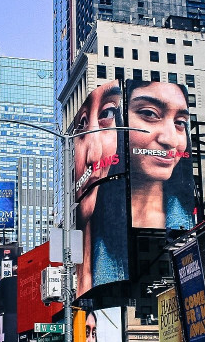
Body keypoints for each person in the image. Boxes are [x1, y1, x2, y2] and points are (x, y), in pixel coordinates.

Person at [72, 80, 126, 296]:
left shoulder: (115, 265)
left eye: (107, 113)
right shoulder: (68, 268)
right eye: (82, 123)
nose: (93, 155)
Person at [126, 80, 193, 230]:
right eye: (150, 114)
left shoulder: (190, 220)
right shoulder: (93, 222)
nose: (171, 140)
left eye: (180, 122)